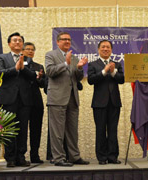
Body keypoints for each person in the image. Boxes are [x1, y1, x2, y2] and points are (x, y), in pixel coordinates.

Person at [45, 32, 89, 166]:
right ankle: (59, 158)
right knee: (57, 131)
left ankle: (74, 156)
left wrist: (80, 68)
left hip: (72, 97)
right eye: (64, 39)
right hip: (57, 98)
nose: (67, 42)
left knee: (72, 130)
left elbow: (77, 78)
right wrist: (65, 63)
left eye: (69, 40)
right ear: (58, 42)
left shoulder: (74, 58)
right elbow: (49, 72)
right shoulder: (50, 55)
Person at [0, 32, 36, 167]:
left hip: (24, 100)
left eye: (20, 41)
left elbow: (32, 76)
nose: (18, 42)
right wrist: (15, 68)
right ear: (9, 44)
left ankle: (21, 156)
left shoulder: (27, 59)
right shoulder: (2, 57)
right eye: (15, 40)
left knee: (23, 129)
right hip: (8, 99)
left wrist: (23, 68)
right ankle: (10, 158)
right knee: (9, 129)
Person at [87, 40, 124, 165]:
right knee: (101, 130)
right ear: (98, 50)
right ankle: (102, 157)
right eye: (103, 47)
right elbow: (91, 80)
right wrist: (104, 71)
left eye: (108, 47)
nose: (105, 49)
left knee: (113, 130)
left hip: (114, 102)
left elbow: (122, 80)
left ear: (111, 50)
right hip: (99, 103)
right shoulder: (93, 64)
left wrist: (113, 72)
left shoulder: (117, 64)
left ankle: (113, 156)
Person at [22, 42, 45, 163]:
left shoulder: (39, 66)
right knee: (22, 129)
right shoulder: (20, 64)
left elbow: (43, 84)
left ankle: (34, 155)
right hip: (23, 102)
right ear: (22, 51)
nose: (30, 51)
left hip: (36, 101)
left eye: (32, 50)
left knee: (36, 129)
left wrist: (40, 78)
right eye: (28, 49)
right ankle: (20, 155)